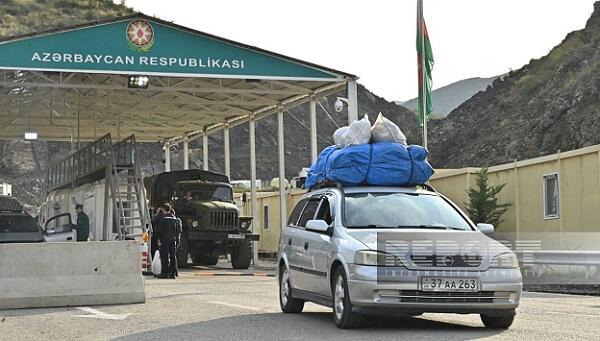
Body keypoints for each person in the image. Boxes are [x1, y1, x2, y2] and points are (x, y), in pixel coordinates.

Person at [154, 203, 182, 279]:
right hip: (173, 239)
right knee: (173, 256)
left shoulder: (162, 218)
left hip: (164, 239)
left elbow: (159, 229)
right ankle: (173, 273)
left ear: (162, 209)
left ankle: (165, 273)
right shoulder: (175, 219)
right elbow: (178, 230)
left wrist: (159, 238)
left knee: (164, 256)